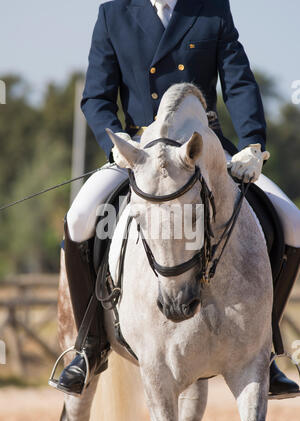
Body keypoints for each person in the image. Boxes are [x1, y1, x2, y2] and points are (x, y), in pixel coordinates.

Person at [54, 0, 300, 397]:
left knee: (292, 223)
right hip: (138, 149)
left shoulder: (211, 8)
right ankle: (89, 349)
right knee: (80, 217)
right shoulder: (113, 13)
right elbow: (96, 97)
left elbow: (238, 81)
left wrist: (252, 143)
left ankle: (265, 349)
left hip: (201, 148)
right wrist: (114, 141)